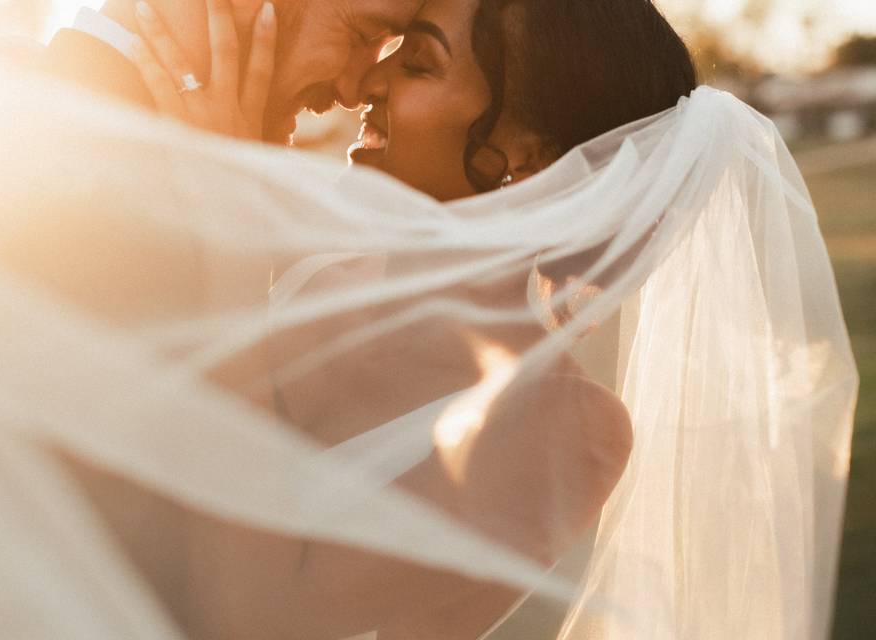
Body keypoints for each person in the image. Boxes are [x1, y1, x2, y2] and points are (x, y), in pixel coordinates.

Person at [127, 0, 697, 638]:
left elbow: (261, 624)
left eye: (419, 63)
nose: (365, 84)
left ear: (531, 157)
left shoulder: (568, 426)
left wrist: (231, 260)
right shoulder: (310, 272)